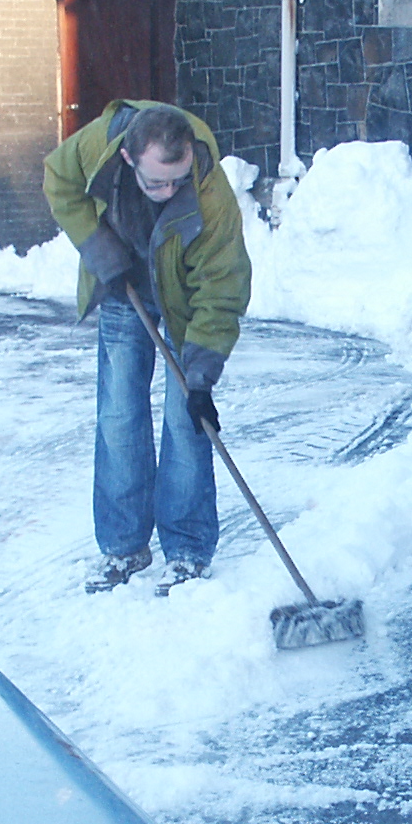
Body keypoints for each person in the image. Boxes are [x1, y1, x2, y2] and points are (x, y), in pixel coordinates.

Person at [43, 101, 252, 593]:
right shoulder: (98, 144)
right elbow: (59, 180)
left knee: (187, 421)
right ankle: (123, 546)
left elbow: (221, 287)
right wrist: (98, 246)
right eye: (157, 182)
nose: (168, 193)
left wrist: (200, 376)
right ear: (129, 159)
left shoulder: (207, 191)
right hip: (125, 287)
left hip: (182, 299)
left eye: (177, 181)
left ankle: (186, 550)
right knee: (119, 416)